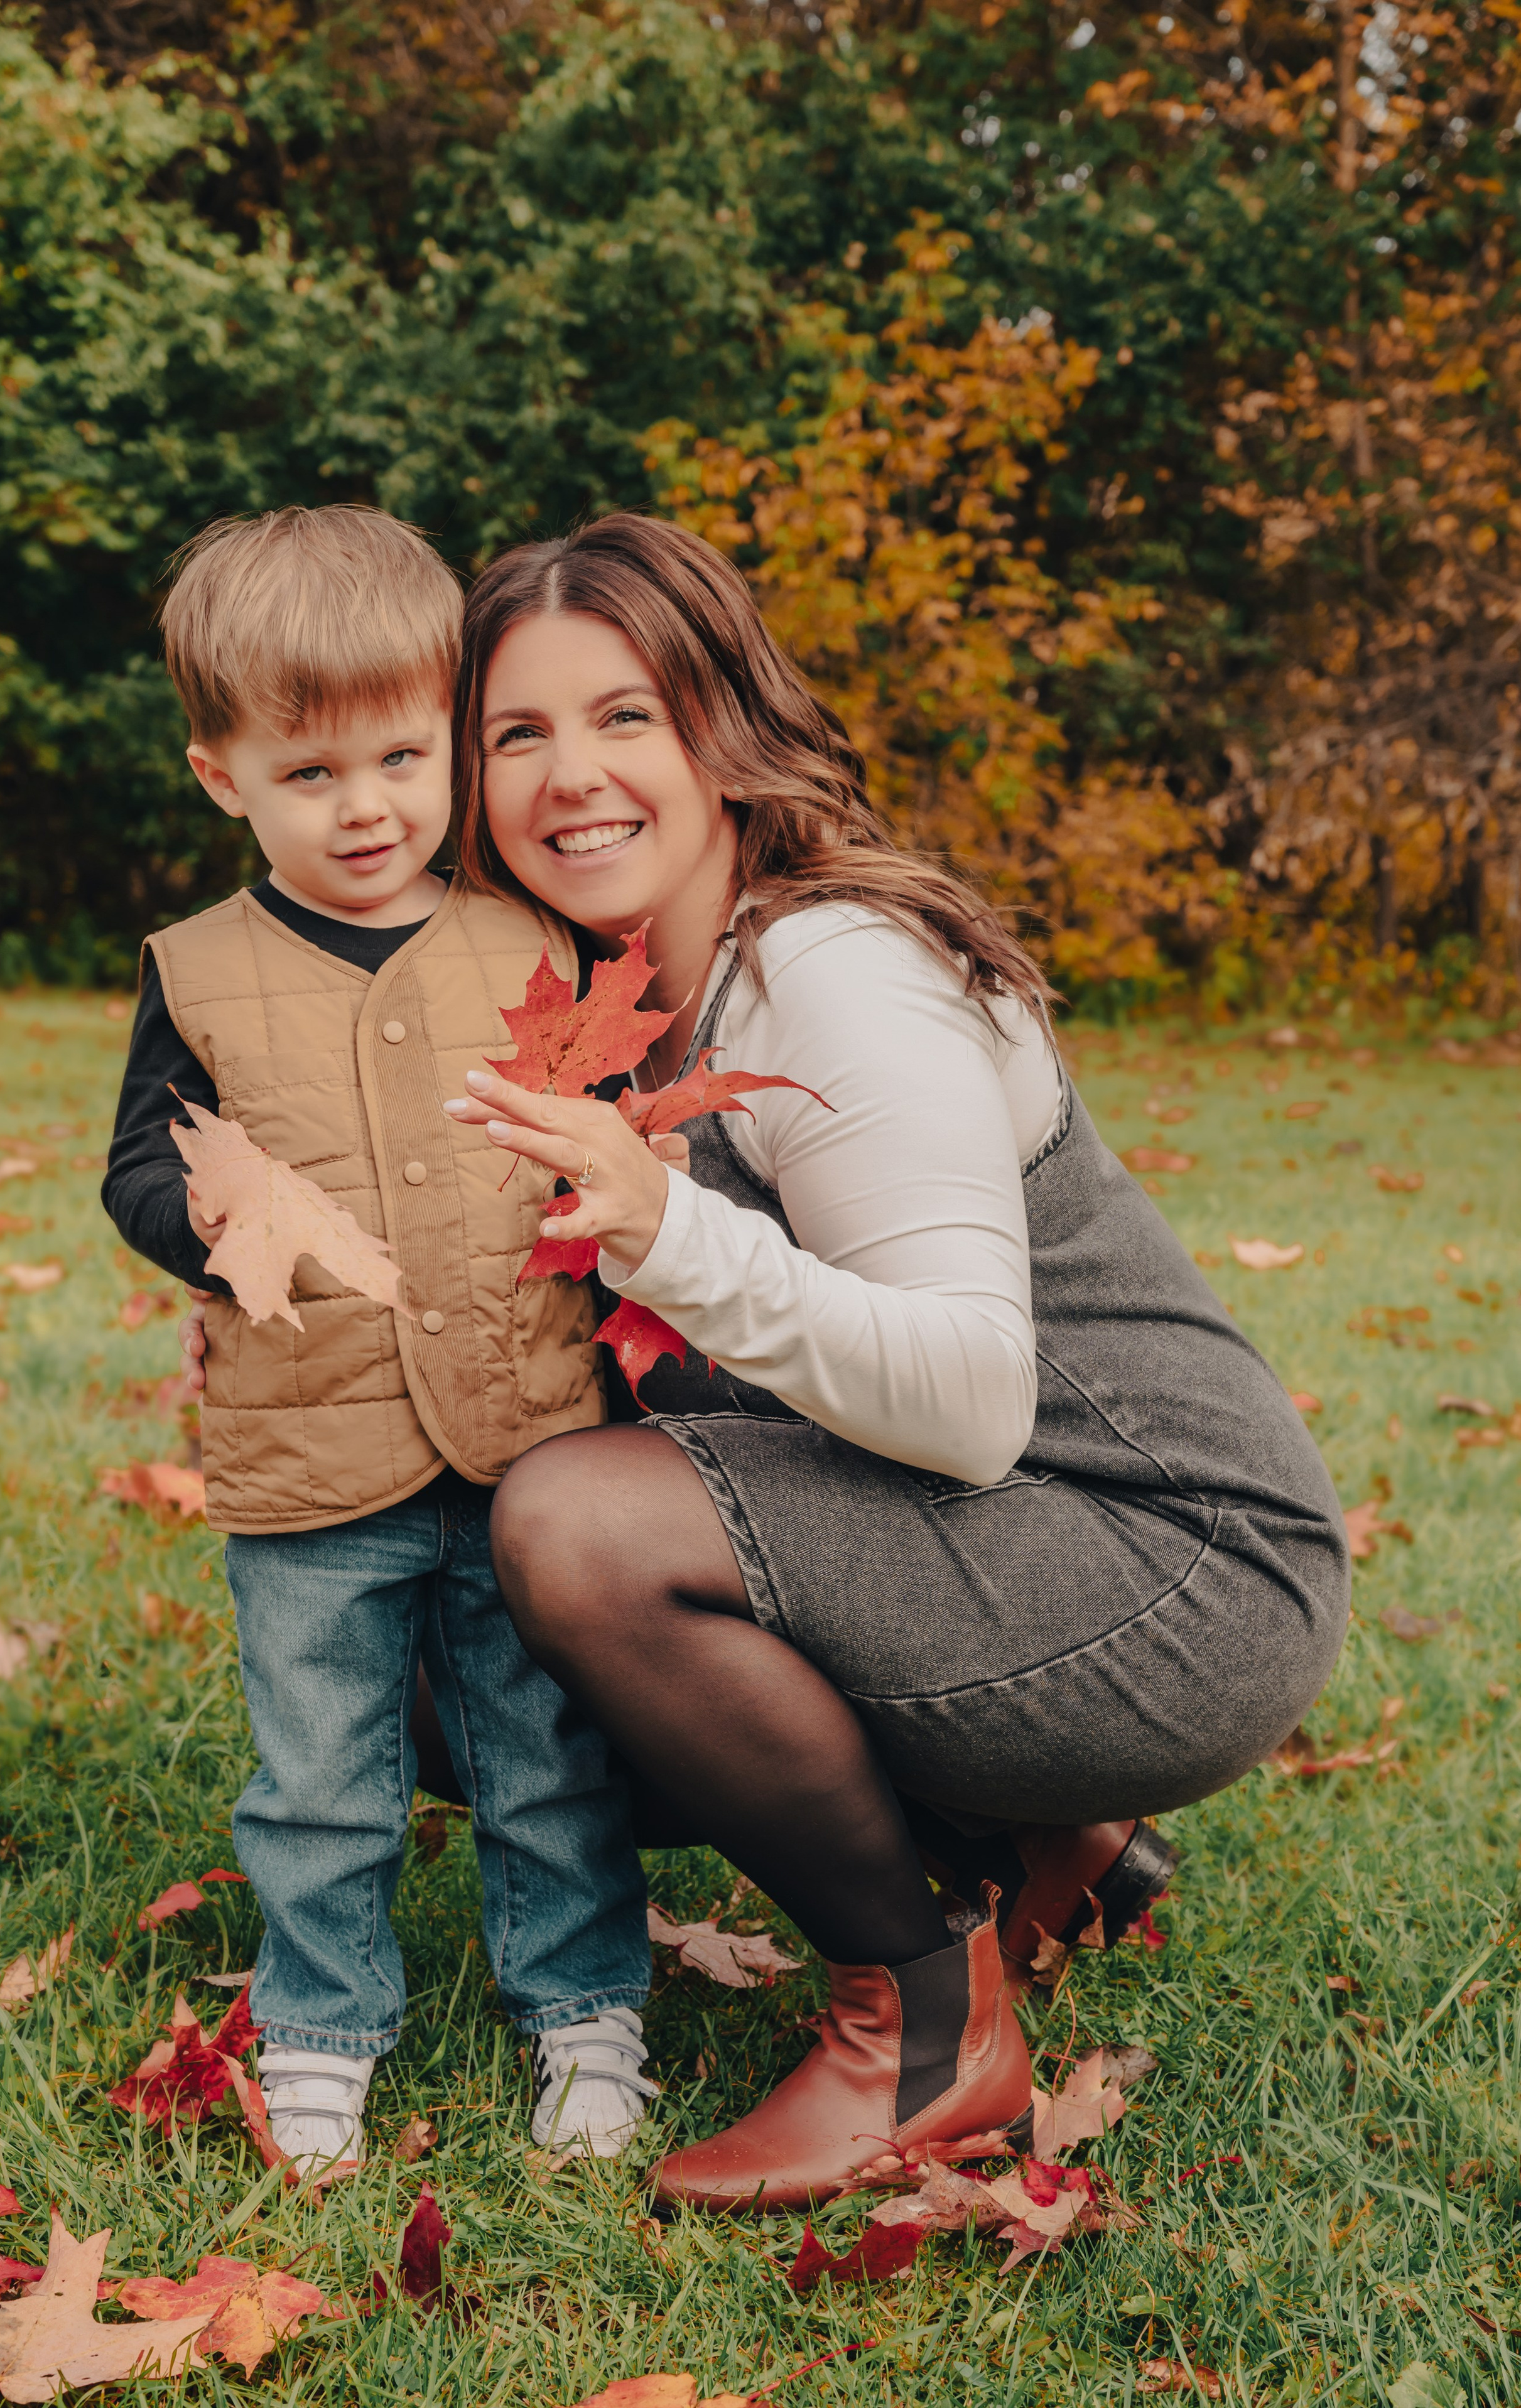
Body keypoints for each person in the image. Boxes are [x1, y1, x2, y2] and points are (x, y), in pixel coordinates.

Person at [434, 512, 1353, 2211]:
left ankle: (921, 2024)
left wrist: (664, 1225)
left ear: (724, 722)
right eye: (519, 732)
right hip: (1005, 1539)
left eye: (625, 713)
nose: (573, 774)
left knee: (572, 1532)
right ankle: (1039, 1850)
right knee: (445, 1645)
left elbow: (966, 1397)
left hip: (1174, 1565)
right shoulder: (617, 988)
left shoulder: (829, 973)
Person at [104, 504, 660, 2173]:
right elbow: (142, 1159)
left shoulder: (527, 939)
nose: (365, 809)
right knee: (321, 1770)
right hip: (309, 1453)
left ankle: (584, 2009)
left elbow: (608, 1135)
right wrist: (201, 1218)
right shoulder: (198, 972)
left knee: (546, 1752)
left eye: (402, 759)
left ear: (447, 734)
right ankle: (327, 2018)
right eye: (310, 773)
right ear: (225, 776)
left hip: (525, 1436)